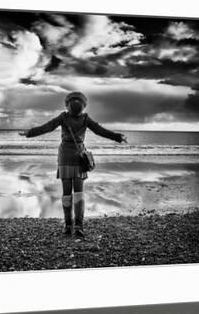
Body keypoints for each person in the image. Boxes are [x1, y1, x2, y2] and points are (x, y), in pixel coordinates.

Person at [19, 91, 127, 238]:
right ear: (84, 105)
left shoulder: (63, 117)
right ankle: (79, 226)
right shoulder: (85, 118)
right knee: (78, 193)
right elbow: (100, 131)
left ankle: (68, 226)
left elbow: (47, 127)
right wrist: (117, 137)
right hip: (78, 156)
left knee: (66, 193)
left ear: (67, 104)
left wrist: (29, 133)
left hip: (65, 156)